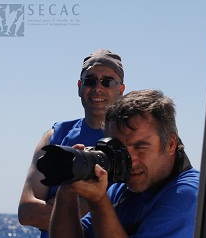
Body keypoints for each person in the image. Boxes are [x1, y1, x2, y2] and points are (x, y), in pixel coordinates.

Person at [49, 89, 199, 238]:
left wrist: (98, 200)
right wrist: (67, 187)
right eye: (118, 150)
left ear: (171, 144)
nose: (129, 160)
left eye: (140, 147)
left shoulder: (188, 195)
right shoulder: (121, 191)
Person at [18, 49, 126, 238]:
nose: (98, 88)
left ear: (121, 90)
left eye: (107, 82)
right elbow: (27, 213)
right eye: (90, 81)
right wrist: (88, 199)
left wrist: (57, 200)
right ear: (79, 87)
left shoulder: (129, 141)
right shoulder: (55, 136)